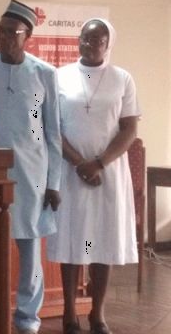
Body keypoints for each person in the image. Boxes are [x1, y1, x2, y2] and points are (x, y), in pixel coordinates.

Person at [0, 0, 62, 334]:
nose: (3, 37)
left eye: (11, 32)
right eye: (0, 31)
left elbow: (54, 134)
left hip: (32, 174)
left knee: (29, 249)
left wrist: (55, 183)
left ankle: (27, 319)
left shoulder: (45, 74)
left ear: (28, 37)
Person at [47, 18, 139, 334]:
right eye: (85, 38)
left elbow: (129, 129)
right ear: (78, 41)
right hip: (70, 171)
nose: (90, 44)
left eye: (97, 39)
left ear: (107, 43)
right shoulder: (59, 76)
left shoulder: (122, 78)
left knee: (102, 241)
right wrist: (78, 164)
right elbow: (51, 127)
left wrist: (98, 163)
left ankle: (97, 314)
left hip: (109, 173)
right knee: (73, 240)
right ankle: (69, 315)